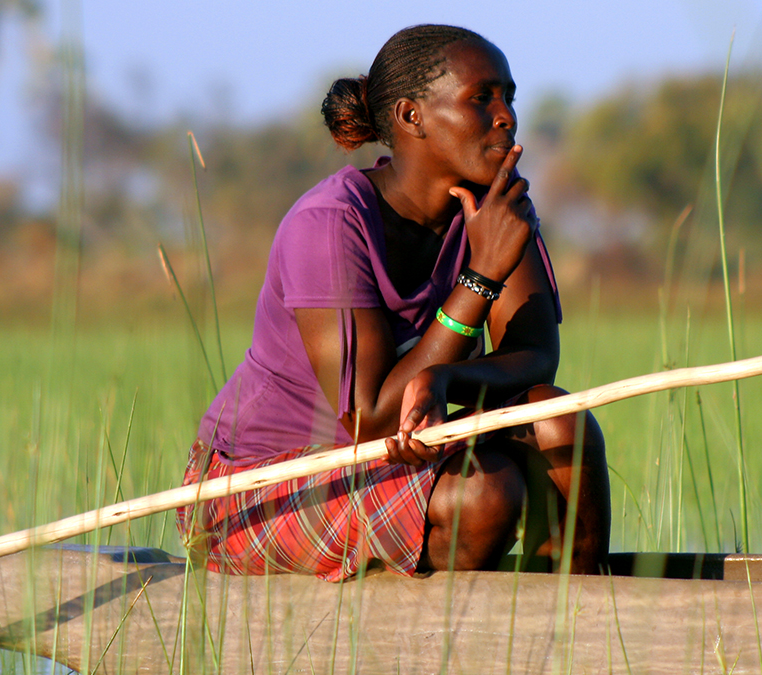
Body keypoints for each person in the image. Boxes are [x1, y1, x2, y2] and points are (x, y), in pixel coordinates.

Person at [176, 24, 610, 582]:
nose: (506, 116)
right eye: (482, 98)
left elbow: (534, 357)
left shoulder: (497, 208)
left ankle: (574, 625)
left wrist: (449, 382)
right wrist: (480, 277)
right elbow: (371, 419)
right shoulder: (329, 223)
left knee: (559, 422)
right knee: (483, 493)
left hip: (393, 459)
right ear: (412, 117)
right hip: (256, 489)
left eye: (509, 96)